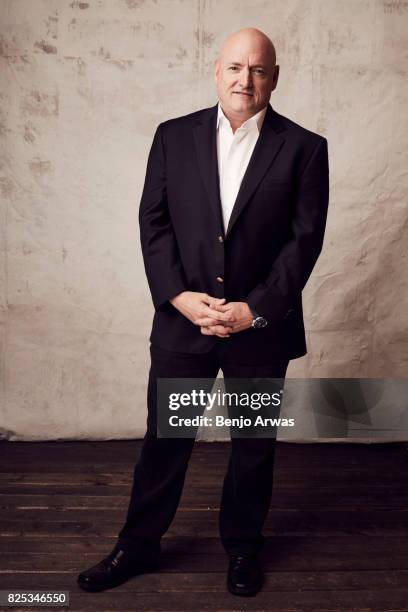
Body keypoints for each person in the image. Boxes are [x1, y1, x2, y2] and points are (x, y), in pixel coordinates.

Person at [77, 27, 329, 597]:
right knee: (165, 440)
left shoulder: (306, 148)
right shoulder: (173, 137)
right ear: (216, 71)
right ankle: (136, 546)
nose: (246, 79)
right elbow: (154, 222)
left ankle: (242, 550)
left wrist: (254, 310)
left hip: (259, 331)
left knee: (253, 447)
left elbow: (304, 240)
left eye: (259, 70)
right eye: (236, 67)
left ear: (274, 78)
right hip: (181, 322)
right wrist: (178, 296)